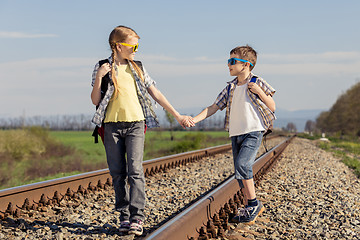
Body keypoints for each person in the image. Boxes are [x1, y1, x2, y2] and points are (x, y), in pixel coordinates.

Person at [90, 25, 194, 236]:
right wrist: (100, 77)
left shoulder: (137, 67)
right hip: (111, 127)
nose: (136, 49)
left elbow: (155, 92)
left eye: (138, 45)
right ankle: (124, 216)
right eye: (133, 45)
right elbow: (95, 100)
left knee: (135, 171)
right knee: (118, 173)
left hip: (136, 124)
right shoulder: (102, 67)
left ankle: (137, 216)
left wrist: (177, 114)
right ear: (118, 46)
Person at [190, 45, 276, 224]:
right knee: (239, 171)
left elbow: (272, 106)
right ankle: (248, 205)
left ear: (246, 65)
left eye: (232, 61)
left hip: (254, 131)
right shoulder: (230, 88)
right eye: (228, 61)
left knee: (243, 164)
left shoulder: (257, 82)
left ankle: (253, 203)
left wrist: (259, 92)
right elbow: (214, 107)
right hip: (236, 133)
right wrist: (194, 120)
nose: (228, 64)